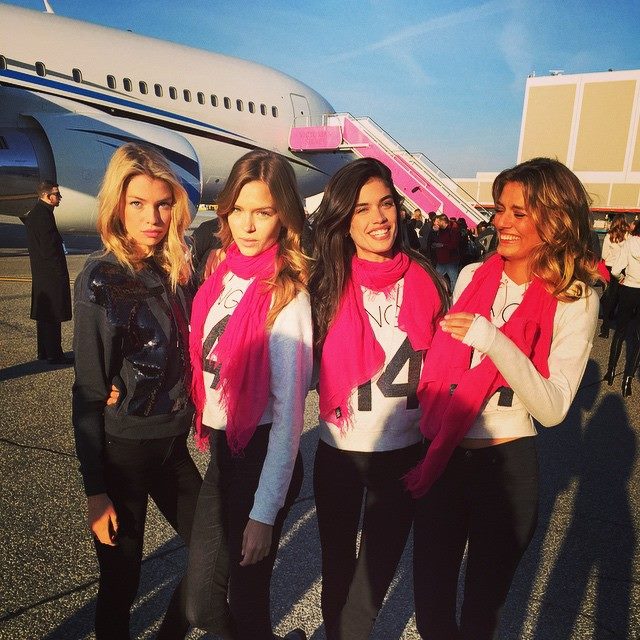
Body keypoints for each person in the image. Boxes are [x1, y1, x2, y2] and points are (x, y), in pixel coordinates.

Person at [406, 157, 600, 640]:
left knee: (480, 617)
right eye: (500, 209)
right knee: (430, 610)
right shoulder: (472, 275)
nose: (502, 222)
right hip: (445, 455)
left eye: (519, 212)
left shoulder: (576, 296)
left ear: (555, 219)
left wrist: (494, 340)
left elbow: (553, 409)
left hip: (507, 469)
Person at [308, 158, 448, 640]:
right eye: (362, 209)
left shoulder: (426, 277)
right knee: (337, 570)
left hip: (402, 453)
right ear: (344, 221)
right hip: (339, 453)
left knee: (368, 590)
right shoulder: (324, 282)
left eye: (385, 203)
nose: (378, 218)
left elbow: (447, 363)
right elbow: (288, 359)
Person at [71, 143, 202, 640]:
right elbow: (88, 390)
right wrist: (95, 490)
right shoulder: (102, 277)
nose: (153, 218)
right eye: (138, 204)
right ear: (118, 207)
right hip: (122, 452)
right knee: (121, 583)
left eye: (163, 204)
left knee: (215, 552)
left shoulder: (178, 270)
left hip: (172, 447)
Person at [186, 149, 312, 640]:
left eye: (263, 211)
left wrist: (264, 513)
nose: (248, 225)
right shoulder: (222, 273)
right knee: (200, 604)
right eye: (238, 209)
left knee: (247, 603)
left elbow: (290, 417)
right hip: (224, 454)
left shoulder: (287, 296)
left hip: (262, 456)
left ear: (284, 215)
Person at [20, 180, 73, 365]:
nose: (59, 197)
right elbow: (49, 250)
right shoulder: (43, 216)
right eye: (56, 194)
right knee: (52, 315)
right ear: (46, 196)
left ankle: (44, 351)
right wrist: (60, 274)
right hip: (50, 274)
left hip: (41, 273)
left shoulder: (37, 213)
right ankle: (55, 355)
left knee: (44, 314)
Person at [605, 219, 640, 396]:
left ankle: (611, 371)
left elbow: (615, 270)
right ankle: (627, 380)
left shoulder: (630, 243)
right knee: (638, 339)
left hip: (629, 288)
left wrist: (621, 278)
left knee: (620, 332)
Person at [599, 214, 629, 338]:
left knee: (610, 296)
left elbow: (604, 255)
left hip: (611, 267)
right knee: (620, 295)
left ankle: (605, 328)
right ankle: (617, 321)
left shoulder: (609, 236)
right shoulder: (628, 236)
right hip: (623, 268)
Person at [430, 213, 461, 292]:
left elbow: (454, 244)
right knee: (436, 278)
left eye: (438, 222)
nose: (436, 223)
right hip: (441, 259)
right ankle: (437, 293)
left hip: (451, 259)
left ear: (443, 221)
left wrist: (442, 245)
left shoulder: (453, 230)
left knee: (453, 279)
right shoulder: (440, 230)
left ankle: (454, 294)